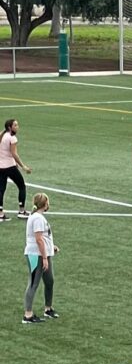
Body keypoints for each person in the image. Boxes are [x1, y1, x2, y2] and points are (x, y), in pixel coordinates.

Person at [22, 193, 59, 324]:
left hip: (43, 254)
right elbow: (38, 239)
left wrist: (50, 247)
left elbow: (43, 237)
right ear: (45, 204)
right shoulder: (37, 218)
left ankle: (48, 308)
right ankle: (28, 315)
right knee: (33, 283)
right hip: (35, 255)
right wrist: (44, 257)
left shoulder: (38, 217)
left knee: (49, 281)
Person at [0, 119, 32, 221]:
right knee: (22, 186)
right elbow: (14, 154)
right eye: (15, 125)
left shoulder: (2, 136)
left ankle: (0, 213)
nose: (17, 127)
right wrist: (23, 166)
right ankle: (22, 211)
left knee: (1, 189)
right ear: (10, 127)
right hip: (9, 167)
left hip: (1, 167)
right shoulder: (12, 138)